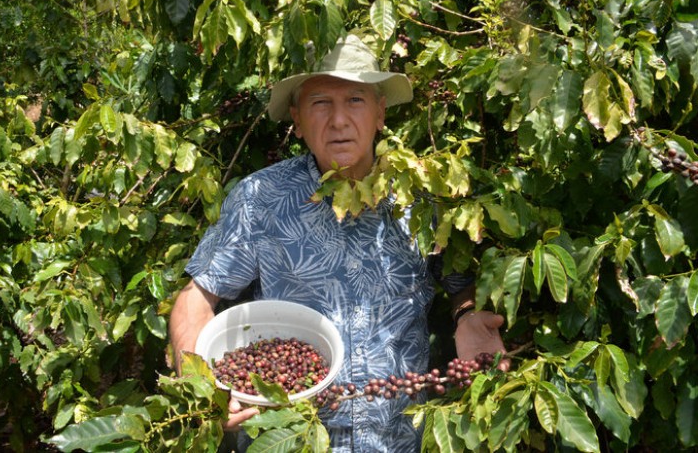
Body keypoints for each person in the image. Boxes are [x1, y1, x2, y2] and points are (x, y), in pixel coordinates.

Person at [169, 34, 507, 452]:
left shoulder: (423, 197)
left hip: (398, 441)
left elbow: (461, 288)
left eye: (356, 100)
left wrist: (468, 316)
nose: (339, 120)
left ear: (381, 112)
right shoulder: (261, 199)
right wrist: (201, 388)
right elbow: (196, 298)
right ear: (296, 116)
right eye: (320, 103)